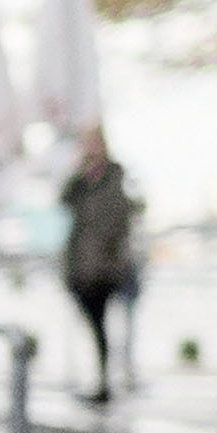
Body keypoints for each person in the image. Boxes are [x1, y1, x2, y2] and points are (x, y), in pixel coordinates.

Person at [60, 129, 142, 403]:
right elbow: (63, 200)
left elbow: (118, 225)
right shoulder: (81, 184)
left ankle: (105, 382)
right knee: (96, 327)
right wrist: (78, 172)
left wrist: (111, 263)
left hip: (103, 273)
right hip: (81, 271)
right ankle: (104, 380)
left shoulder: (114, 182)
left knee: (101, 327)